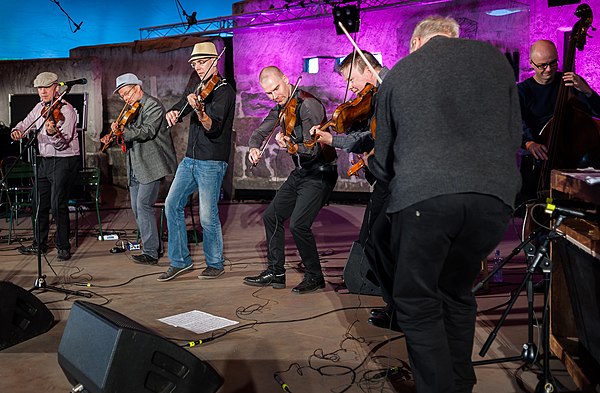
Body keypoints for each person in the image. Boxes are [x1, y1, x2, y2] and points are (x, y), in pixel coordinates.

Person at [367, 16, 521, 392]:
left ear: (417, 43)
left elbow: (384, 163)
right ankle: (460, 381)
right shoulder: (494, 60)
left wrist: (375, 167)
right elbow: (514, 133)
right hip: (493, 202)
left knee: (417, 302)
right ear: (452, 36)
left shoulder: (400, 73)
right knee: (455, 291)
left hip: (425, 200)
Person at [310, 51, 395, 327]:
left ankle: (401, 308)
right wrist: (334, 139)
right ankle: (396, 305)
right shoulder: (380, 92)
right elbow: (370, 134)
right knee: (375, 240)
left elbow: (378, 136)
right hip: (386, 178)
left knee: (380, 240)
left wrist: (371, 153)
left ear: (368, 70)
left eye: (352, 79)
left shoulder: (391, 88)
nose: (351, 87)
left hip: (396, 178)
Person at [243, 66, 338, 294]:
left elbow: (313, 149)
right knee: (271, 216)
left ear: (286, 80)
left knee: (298, 224)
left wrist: (290, 145)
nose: (274, 96)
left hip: (321, 171)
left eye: (276, 89)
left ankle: (315, 276)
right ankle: (276, 272)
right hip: (302, 172)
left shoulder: (308, 105)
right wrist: (254, 148)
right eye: (268, 93)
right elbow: (259, 133)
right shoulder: (282, 108)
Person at [157, 42, 235, 282]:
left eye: (202, 62)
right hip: (190, 158)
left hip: (211, 160)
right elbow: (183, 104)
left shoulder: (225, 91)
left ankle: (215, 263)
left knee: (207, 216)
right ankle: (180, 261)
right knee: (172, 205)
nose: (198, 67)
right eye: (194, 63)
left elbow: (214, 128)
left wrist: (200, 112)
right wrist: (173, 111)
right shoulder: (196, 83)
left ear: (215, 60)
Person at [101, 73, 177, 264]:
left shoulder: (153, 105)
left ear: (137, 87)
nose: (125, 98)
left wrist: (122, 132)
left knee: (144, 205)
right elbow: (129, 134)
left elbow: (147, 131)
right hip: (135, 163)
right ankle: (154, 246)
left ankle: (151, 252)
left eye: (126, 93)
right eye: (122, 96)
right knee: (136, 207)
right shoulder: (131, 108)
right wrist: (113, 136)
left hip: (152, 163)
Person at [517, 39, 600, 204]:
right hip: (538, 160)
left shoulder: (569, 82)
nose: (548, 69)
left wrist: (587, 91)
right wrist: (529, 143)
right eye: (542, 65)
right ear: (531, 64)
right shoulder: (522, 91)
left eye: (553, 63)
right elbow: (513, 124)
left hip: (572, 161)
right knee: (533, 206)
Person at [10, 72, 81, 261]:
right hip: (45, 160)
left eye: (46, 88)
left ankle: (63, 247)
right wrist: (18, 131)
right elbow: (27, 123)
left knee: (58, 203)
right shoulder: (39, 107)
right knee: (38, 202)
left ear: (56, 88)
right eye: (39, 88)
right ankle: (39, 244)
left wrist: (51, 133)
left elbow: (62, 144)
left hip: (64, 160)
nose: (42, 92)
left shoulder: (67, 110)